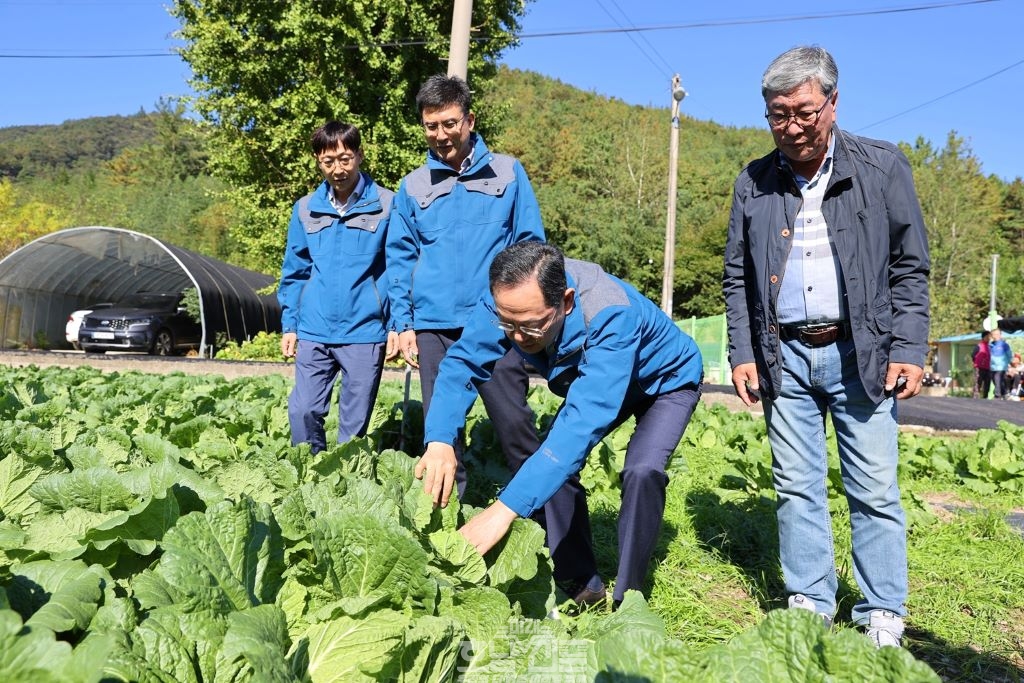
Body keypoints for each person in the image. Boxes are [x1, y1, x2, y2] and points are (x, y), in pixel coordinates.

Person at [723, 46, 930, 648]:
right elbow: (736, 275)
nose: (791, 127)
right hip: (782, 354)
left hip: (860, 353)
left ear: (833, 103)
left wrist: (910, 348)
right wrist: (742, 351)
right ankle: (810, 599)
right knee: (796, 486)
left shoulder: (882, 167)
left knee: (873, 487)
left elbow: (910, 266)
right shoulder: (753, 182)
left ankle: (881, 611)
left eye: (804, 112)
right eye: (777, 115)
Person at [385, 75, 600, 602]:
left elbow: (531, 246)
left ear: (469, 120)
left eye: (450, 123)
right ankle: (445, 555)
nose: (441, 134)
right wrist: (403, 321)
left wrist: (520, 315)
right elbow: (399, 258)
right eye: (431, 126)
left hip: (502, 326)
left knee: (518, 434)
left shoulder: (508, 173)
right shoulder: (413, 187)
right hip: (435, 325)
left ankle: (576, 569)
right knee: (442, 444)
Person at [417, 241, 704, 608]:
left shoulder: (610, 314)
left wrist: (502, 512)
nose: (518, 338)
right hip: (603, 381)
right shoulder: (511, 300)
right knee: (554, 466)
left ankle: (629, 597)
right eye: (509, 325)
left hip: (666, 382)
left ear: (565, 301)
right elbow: (461, 363)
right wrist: (440, 438)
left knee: (642, 469)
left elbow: (581, 427)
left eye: (532, 327)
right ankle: (583, 585)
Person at [278, 121, 398, 453]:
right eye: (328, 161)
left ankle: (345, 484)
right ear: (318, 160)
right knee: (303, 411)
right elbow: (295, 271)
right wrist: (290, 324)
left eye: (345, 159)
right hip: (314, 329)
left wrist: (398, 325)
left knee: (353, 425)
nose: (338, 169)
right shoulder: (305, 209)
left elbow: (399, 269)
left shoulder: (387, 205)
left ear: (359, 155)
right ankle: (313, 475)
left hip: (365, 330)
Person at [988, 328, 1011, 399]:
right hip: (992, 367)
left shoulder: (1004, 345)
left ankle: (997, 395)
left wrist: (1009, 364)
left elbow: (1009, 355)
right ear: (992, 336)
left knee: (997, 378)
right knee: (995, 381)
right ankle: (1004, 393)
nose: (996, 336)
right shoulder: (990, 345)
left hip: (1001, 367)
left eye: (997, 334)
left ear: (1000, 335)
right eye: (994, 334)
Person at [972, 331, 992, 399]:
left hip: (988, 368)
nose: (989, 338)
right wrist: (976, 364)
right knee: (978, 382)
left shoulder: (990, 347)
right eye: (987, 336)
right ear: (983, 337)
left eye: (989, 337)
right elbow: (973, 355)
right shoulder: (979, 346)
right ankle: (975, 397)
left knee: (987, 383)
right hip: (979, 368)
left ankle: (985, 397)